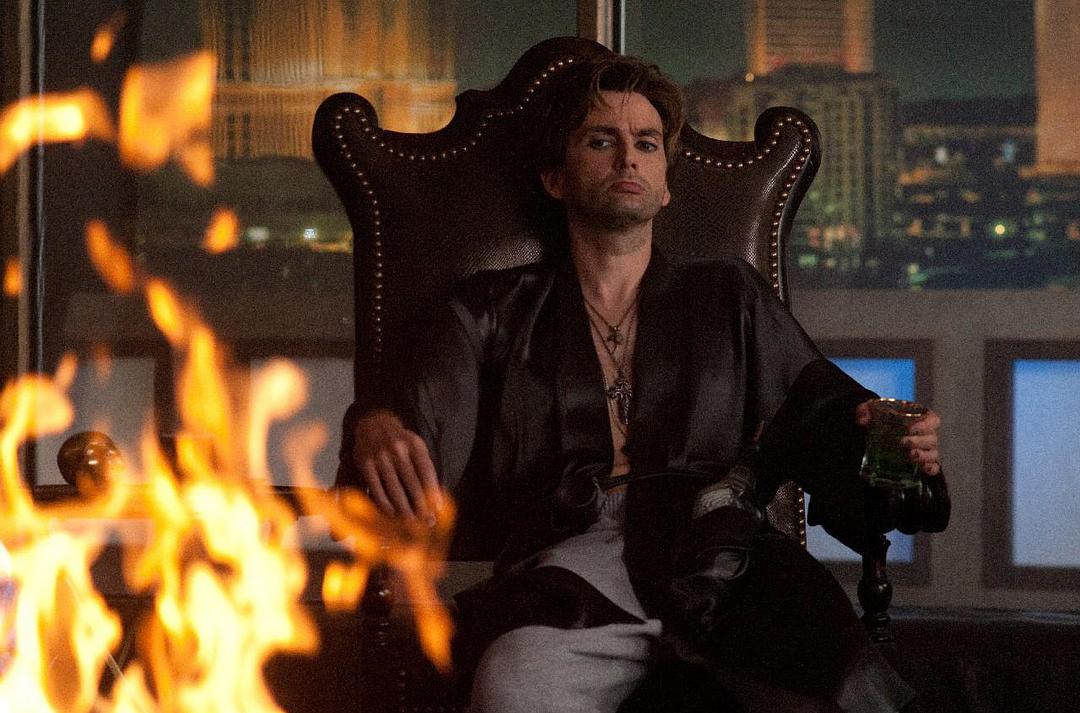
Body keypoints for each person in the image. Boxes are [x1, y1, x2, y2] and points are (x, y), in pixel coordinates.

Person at [337, 53, 948, 713]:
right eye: (602, 140)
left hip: (724, 568)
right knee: (511, 688)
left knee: (838, 693)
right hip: (569, 575)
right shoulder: (491, 310)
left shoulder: (729, 297)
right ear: (555, 178)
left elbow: (825, 411)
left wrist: (897, 447)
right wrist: (377, 424)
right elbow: (418, 408)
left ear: (664, 187)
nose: (628, 156)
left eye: (647, 143)